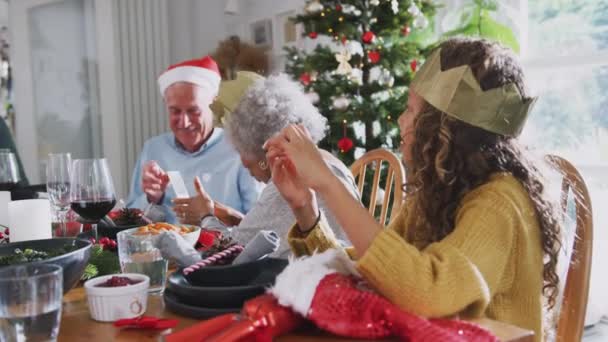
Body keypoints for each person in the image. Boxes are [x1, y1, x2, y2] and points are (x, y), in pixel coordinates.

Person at [265, 37, 562, 341]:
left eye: (410, 110)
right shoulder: (436, 193)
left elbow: (429, 291)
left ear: (445, 128)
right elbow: (374, 270)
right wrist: (306, 208)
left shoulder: (499, 202)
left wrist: (328, 182)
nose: (401, 120)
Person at [173, 74, 359, 258]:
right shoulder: (321, 161)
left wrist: (206, 216)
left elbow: (230, 254)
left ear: (262, 147)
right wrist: (233, 217)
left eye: (241, 150)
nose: (244, 164)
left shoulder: (290, 180)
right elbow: (280, 228)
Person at [126, 56, 262, 223]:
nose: (184, 122)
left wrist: (214, 213)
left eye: (193, 111)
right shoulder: (153, 149)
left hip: (227, 248)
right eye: (175, 111)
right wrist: (152, 199)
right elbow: (129, 219)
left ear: (214, 106)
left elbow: (259, 224)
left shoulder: (239, 147)